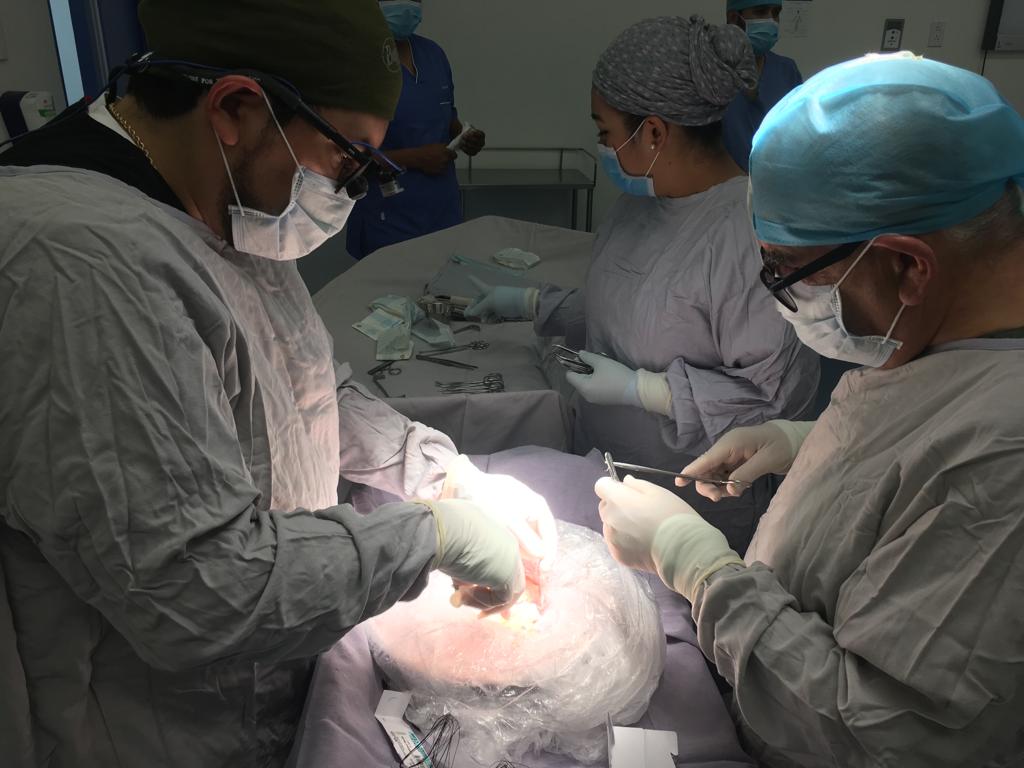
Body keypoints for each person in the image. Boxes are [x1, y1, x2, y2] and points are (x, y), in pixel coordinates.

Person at [0, 1, 554, 765]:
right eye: (349, 160)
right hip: (145, 726)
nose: (351, 190)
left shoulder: (216, 197)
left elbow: (303, 383)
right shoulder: (80, 263)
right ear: (235, 109)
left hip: (260, 672)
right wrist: (428, 538)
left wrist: (437, 472)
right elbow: (197, 589)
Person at [594, 52, 1024, 767]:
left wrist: (698, 567)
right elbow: (927, 437)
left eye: (789, 272)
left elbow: (880, 733)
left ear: (908, 266)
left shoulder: (1003, 463)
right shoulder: (943, 341)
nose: (782, 299)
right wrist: (807, 440)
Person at [467, 16, 819, 552]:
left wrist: (645, 391)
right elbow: (635, 307)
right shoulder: (640, 203)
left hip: (693, 503)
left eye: (605, 133)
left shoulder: (747, 237)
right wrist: (534, 303)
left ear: (654, 132)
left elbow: (772, 399)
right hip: (606, 464)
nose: (602, 146)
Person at [345, 0, 485, 259]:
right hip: (388, 215)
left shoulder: (433, 54)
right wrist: (416, 158)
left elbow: (446, 115)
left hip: (442, 211)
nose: (408, 5)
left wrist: (464, 135)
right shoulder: (358, 61)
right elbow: (345, 150)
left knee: (443, 280)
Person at [722, 0, 801, 172]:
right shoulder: (712, 72)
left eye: (776, 13)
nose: (771, 21)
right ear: (734, 18)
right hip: (723, 184)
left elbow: (797, 134)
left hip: (775, 179)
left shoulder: (786, 70)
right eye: (761, 12)